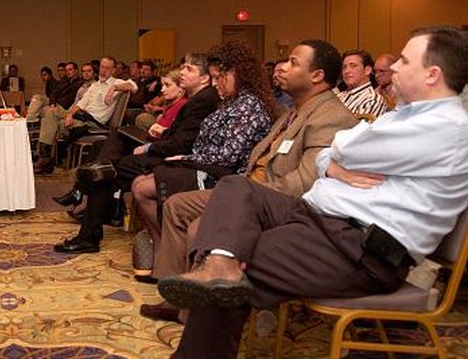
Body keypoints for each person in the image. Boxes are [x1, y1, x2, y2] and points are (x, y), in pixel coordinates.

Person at [158, 26, 468, 359]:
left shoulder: (448, 128)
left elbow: (344, 144)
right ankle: (221, 266)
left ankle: (220, 276)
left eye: (405, 61)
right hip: (319, 222)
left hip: (359, 249)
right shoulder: (405, 116)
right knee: (236, 187)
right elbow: (329, 155)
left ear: (432, 74)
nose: (394, 68)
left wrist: (338, 156)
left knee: (233, 265)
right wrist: (333, 165)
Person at [139, 39, 357, 322]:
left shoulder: (331, 117)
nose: (281, 67)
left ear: (317, 76)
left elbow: (304, 183)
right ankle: (175, 294)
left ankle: (195, 312)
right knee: (177, 205)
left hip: (277, 201)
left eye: (292, 62)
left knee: (199, 226)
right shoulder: (295, 111)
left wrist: (248, 192)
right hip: (249, 187)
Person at [129, 40, 273, 277]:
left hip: (221, 175)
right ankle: (163, 249)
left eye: (219, 78)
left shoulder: (249, 105)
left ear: (237, 74)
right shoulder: (232, 101)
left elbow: (229, 156)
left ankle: (164, 249)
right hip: (204, 164)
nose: (215, 84)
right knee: (139, 182)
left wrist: (188, 157)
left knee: (143, 187)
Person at [52, 53, 220, 253]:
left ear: (204, 78)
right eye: (183, 67)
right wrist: (161, 135)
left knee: (107, 171)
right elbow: (182, 136)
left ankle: (89, 231)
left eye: (189, 69)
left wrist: (150, 147)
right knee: (112, 147)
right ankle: (92, 222)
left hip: (177, 160)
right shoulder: (199, 98)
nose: (182, 72)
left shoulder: (202, 100)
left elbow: (181, 144)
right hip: (168, 149)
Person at [32, 57, 136, 174]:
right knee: (50, 112)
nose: (103, 71)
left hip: (92, 122)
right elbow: (79, 105)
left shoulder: (117, 82)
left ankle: (45, 160)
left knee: (53, 121)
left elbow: (133, 86)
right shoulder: (94, 86)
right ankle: (45, 158)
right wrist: (69, 115)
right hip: (79, 115)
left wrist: (114, 88)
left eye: (107, 68)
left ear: (113, 70)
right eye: (102, 67)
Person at [338, 49, 387, 118]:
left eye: (353, 66)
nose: (346, 71)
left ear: (367, 70)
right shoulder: (339, 96)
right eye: (344, 67)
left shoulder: (372, 100)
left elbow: (361, 128)